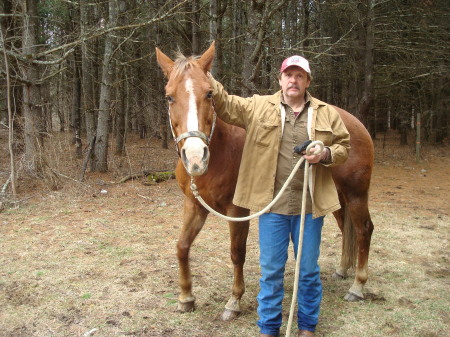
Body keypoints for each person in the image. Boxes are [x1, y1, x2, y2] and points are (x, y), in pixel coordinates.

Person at [208, 55, 350, 337]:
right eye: (289, 75)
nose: (293, 80)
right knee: (271, 272)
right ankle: (268, 329)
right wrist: (205, 76)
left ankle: (307, 327)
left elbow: (344, 146)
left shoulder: (325, 113)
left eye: (299, 76)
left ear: (307, 81)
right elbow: (225, 105)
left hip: (310, 207)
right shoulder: (259, 106)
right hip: (273, 207)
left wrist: (326, 154)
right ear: (280, 79)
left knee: (308, 271)